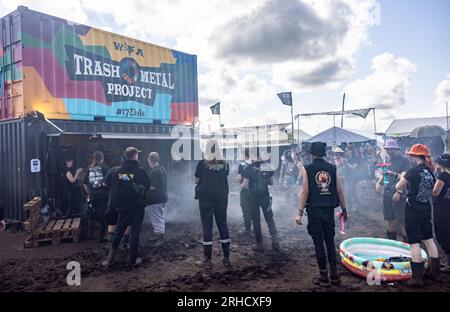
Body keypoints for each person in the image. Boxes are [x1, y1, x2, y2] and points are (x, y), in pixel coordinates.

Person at [296, 142, 347, 287]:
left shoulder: (307, 168)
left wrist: (299, 213)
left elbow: (305, 192)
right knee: (330, 241)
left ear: (312, 154)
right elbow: (339, 190)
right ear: (324, 154)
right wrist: (344, 209)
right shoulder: (332, 168)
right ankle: (335, 276)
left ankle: (324, 277)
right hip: (329, 210)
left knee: (319, 243)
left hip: (314, 210)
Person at [394, 144, 440, 287]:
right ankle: (435, 273)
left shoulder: (413, 171)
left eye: (411, 155)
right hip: (426, 208)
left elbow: (398, 187)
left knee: (414, 242)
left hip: (413, 209)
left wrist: (402, 176)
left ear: (414, 156)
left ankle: (417, 278)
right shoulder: (431, 171)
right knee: (429, 239)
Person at [102, 147, 151, 267]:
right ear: (135, 156)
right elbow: (148, 186)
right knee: (135, 233)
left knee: (118, 232)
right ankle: (133, 260)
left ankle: (109, 261)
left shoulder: (117, 171)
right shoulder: (140, 171)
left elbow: (110, 186)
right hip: (137, 207)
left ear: (125, 156)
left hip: (123, 207)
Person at [195, 140, 231, 269]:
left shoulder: (202, 164)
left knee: (207, 227)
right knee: (223, 225)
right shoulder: (225, 164)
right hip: (221, 198)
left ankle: (207, 260)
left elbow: (196, 180)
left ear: (207, 149)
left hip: (206, 199)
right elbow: (224, 177)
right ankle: (226, 258)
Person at [242, 150, 279, 252]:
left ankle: (260, 244)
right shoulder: (267, 167)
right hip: (265, 196)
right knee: (269, 218)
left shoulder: (248, 168)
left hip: (253, 197)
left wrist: (241, 185)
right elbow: (271, 182)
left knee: (256, 220)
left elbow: (244, 186)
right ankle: (275, 241)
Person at [375, 139, 410, 241]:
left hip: (399, 193)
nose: (390, 151)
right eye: (388, 149)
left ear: (397, 149)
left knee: (401, 220)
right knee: (390, 219)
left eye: (392, 149)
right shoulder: (386, 160)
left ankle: (408, 246)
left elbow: (404, 178)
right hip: (387, 193)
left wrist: (399, 191)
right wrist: (379, 183)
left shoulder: (404, 160)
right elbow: (385, 175)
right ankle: (392, 244)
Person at [83, 151, 109, 242]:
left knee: (92, 215)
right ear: (102, 158)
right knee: (102, 216)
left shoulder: (88, 169)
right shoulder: (105, 168)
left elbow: (85, 185)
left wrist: (90, 194)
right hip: (103, 196)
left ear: (93, 158)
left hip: (93, 196)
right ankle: (101, 238)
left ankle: (90, 235)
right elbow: (107, 183)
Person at [145, 152, 168, 247]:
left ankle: (160, 239)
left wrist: (143, 187)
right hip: (162, 197)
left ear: (150, 160)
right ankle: (159, 235)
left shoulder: (154, 171)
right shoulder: (162, 169)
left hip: (155, 199)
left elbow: (153, 187)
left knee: (157, 218)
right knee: (160, 217)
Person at [432, 154, 450, 273]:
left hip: (442, 209)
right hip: (448, 207)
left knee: (443, 235)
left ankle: (449, 265)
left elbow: (435, 192)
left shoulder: (443, 176)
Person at [236, 148, 252, 235]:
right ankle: (256, 227)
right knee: (254, 208)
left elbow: (239, 178)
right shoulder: (257, 163)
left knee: (245, 208)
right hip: (256, 190)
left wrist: (238, 179)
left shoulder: (242, 165)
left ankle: (247, 229)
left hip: (245, 190)